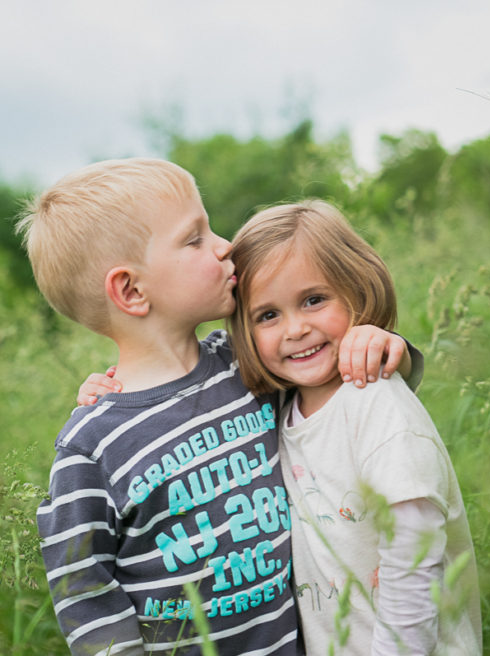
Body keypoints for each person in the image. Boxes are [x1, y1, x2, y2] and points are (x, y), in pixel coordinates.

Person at [21, 158, 408, 655]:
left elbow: (338, 390)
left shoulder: (245, 366)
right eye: (194, 238)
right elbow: (83, 587)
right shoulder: (92, 445)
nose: (226, 246)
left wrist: (375, 345)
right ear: (132, 290)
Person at [226, 200, 481, 655]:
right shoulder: (279, 406)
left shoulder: (376, 404)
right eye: (268, 315)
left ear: (358, 291)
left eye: (313, 300)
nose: (295, 329)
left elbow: (413, 556)